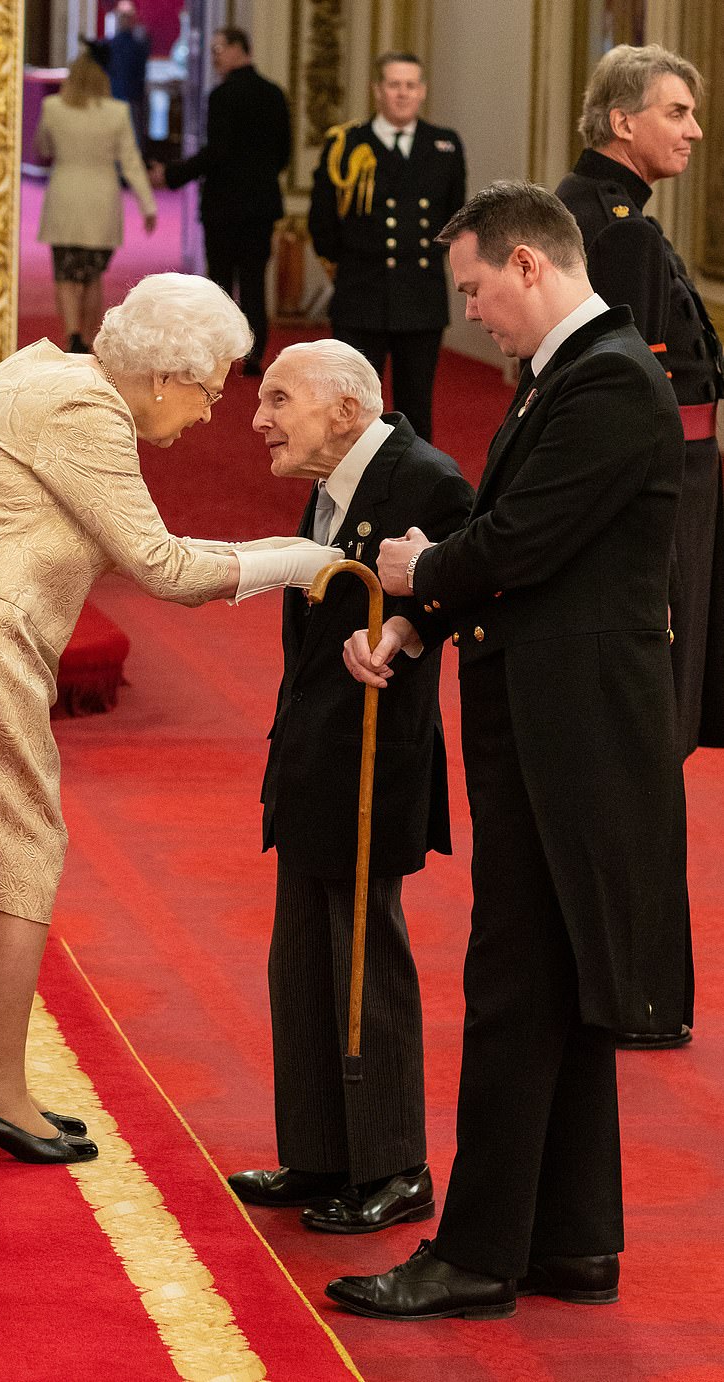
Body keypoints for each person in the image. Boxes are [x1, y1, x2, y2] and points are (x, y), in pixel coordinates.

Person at [0, 274, 340, 1167]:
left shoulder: (42, 369)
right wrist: (294, 559)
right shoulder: (88, 414)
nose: (212, 412)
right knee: (21, 849)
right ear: (167, 377)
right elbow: (162, 566)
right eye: (212, 390)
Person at [332, 182, 687, 1320]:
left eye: (475, 288)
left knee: (512, 983)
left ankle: (477, 1253)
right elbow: (515, 541)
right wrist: (414, 618)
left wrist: (413, 576)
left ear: (529, 265)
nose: (470, 312)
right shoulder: (569, 375)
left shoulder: (612, 380)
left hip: (575, 734)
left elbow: (517, 540)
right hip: (557, 723)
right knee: (557, 979)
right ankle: (574, 1242)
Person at [227, 340, 473, 1232]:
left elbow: (460, 585)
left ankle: (393, 1164)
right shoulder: (337, 477)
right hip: (313, 752)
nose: (259, 418)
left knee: (368, 958)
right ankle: (319, 1155)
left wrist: (403, 631)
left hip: (376, 756)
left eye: (279, 400)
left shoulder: (426, 479)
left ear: (345, 409)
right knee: (301, 957)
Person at [555, 43, 724, 1050]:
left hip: (674, 498)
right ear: (621, 121)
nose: (692, 131)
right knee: (645, 743)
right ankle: (638, 988)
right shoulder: (612, 233)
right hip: (665, 511)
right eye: (675, 112)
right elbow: (635, 406)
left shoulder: (607, 217)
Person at [307, 52, 466, 442]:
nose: (402, 94)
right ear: (377, 90)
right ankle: (349, 491)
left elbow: (456, 218)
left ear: (423, 92)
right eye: (394, 85)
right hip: (361, 295)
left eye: (411, 85)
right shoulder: (347, 144)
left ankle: (416, 493)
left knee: (416, 410)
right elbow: (322, 221)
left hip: (421, 298)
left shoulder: (444, 145)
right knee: (352, 409)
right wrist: (346, 266)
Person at [149, 27, 291, 376]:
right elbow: (284, 154)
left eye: (219, 49)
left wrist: (171, 175)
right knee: (255, 281)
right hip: (260, 205)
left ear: (242, 49)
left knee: (222, 283)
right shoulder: (274, 94)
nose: (214, 56)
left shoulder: (223, 95)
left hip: (225, 205)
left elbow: (217, 153)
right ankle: (256, 354)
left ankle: (220, 355)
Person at [34, 50, 157, 354]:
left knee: (64, 273)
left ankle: (71, 333)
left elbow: (42, 146)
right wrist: (148, 204)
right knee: (91, 276)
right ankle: (87, 338)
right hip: (102, 200)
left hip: (65, 197)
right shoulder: (117, 112)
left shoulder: (53, 107)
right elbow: (130, 161)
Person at [105, 1, 151, 152]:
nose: (125, 19)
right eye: (122, 16)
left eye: (128, 16)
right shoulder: (111, 45)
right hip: (114, 97)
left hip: (132, 99)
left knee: (132, 141)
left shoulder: (139, 42)